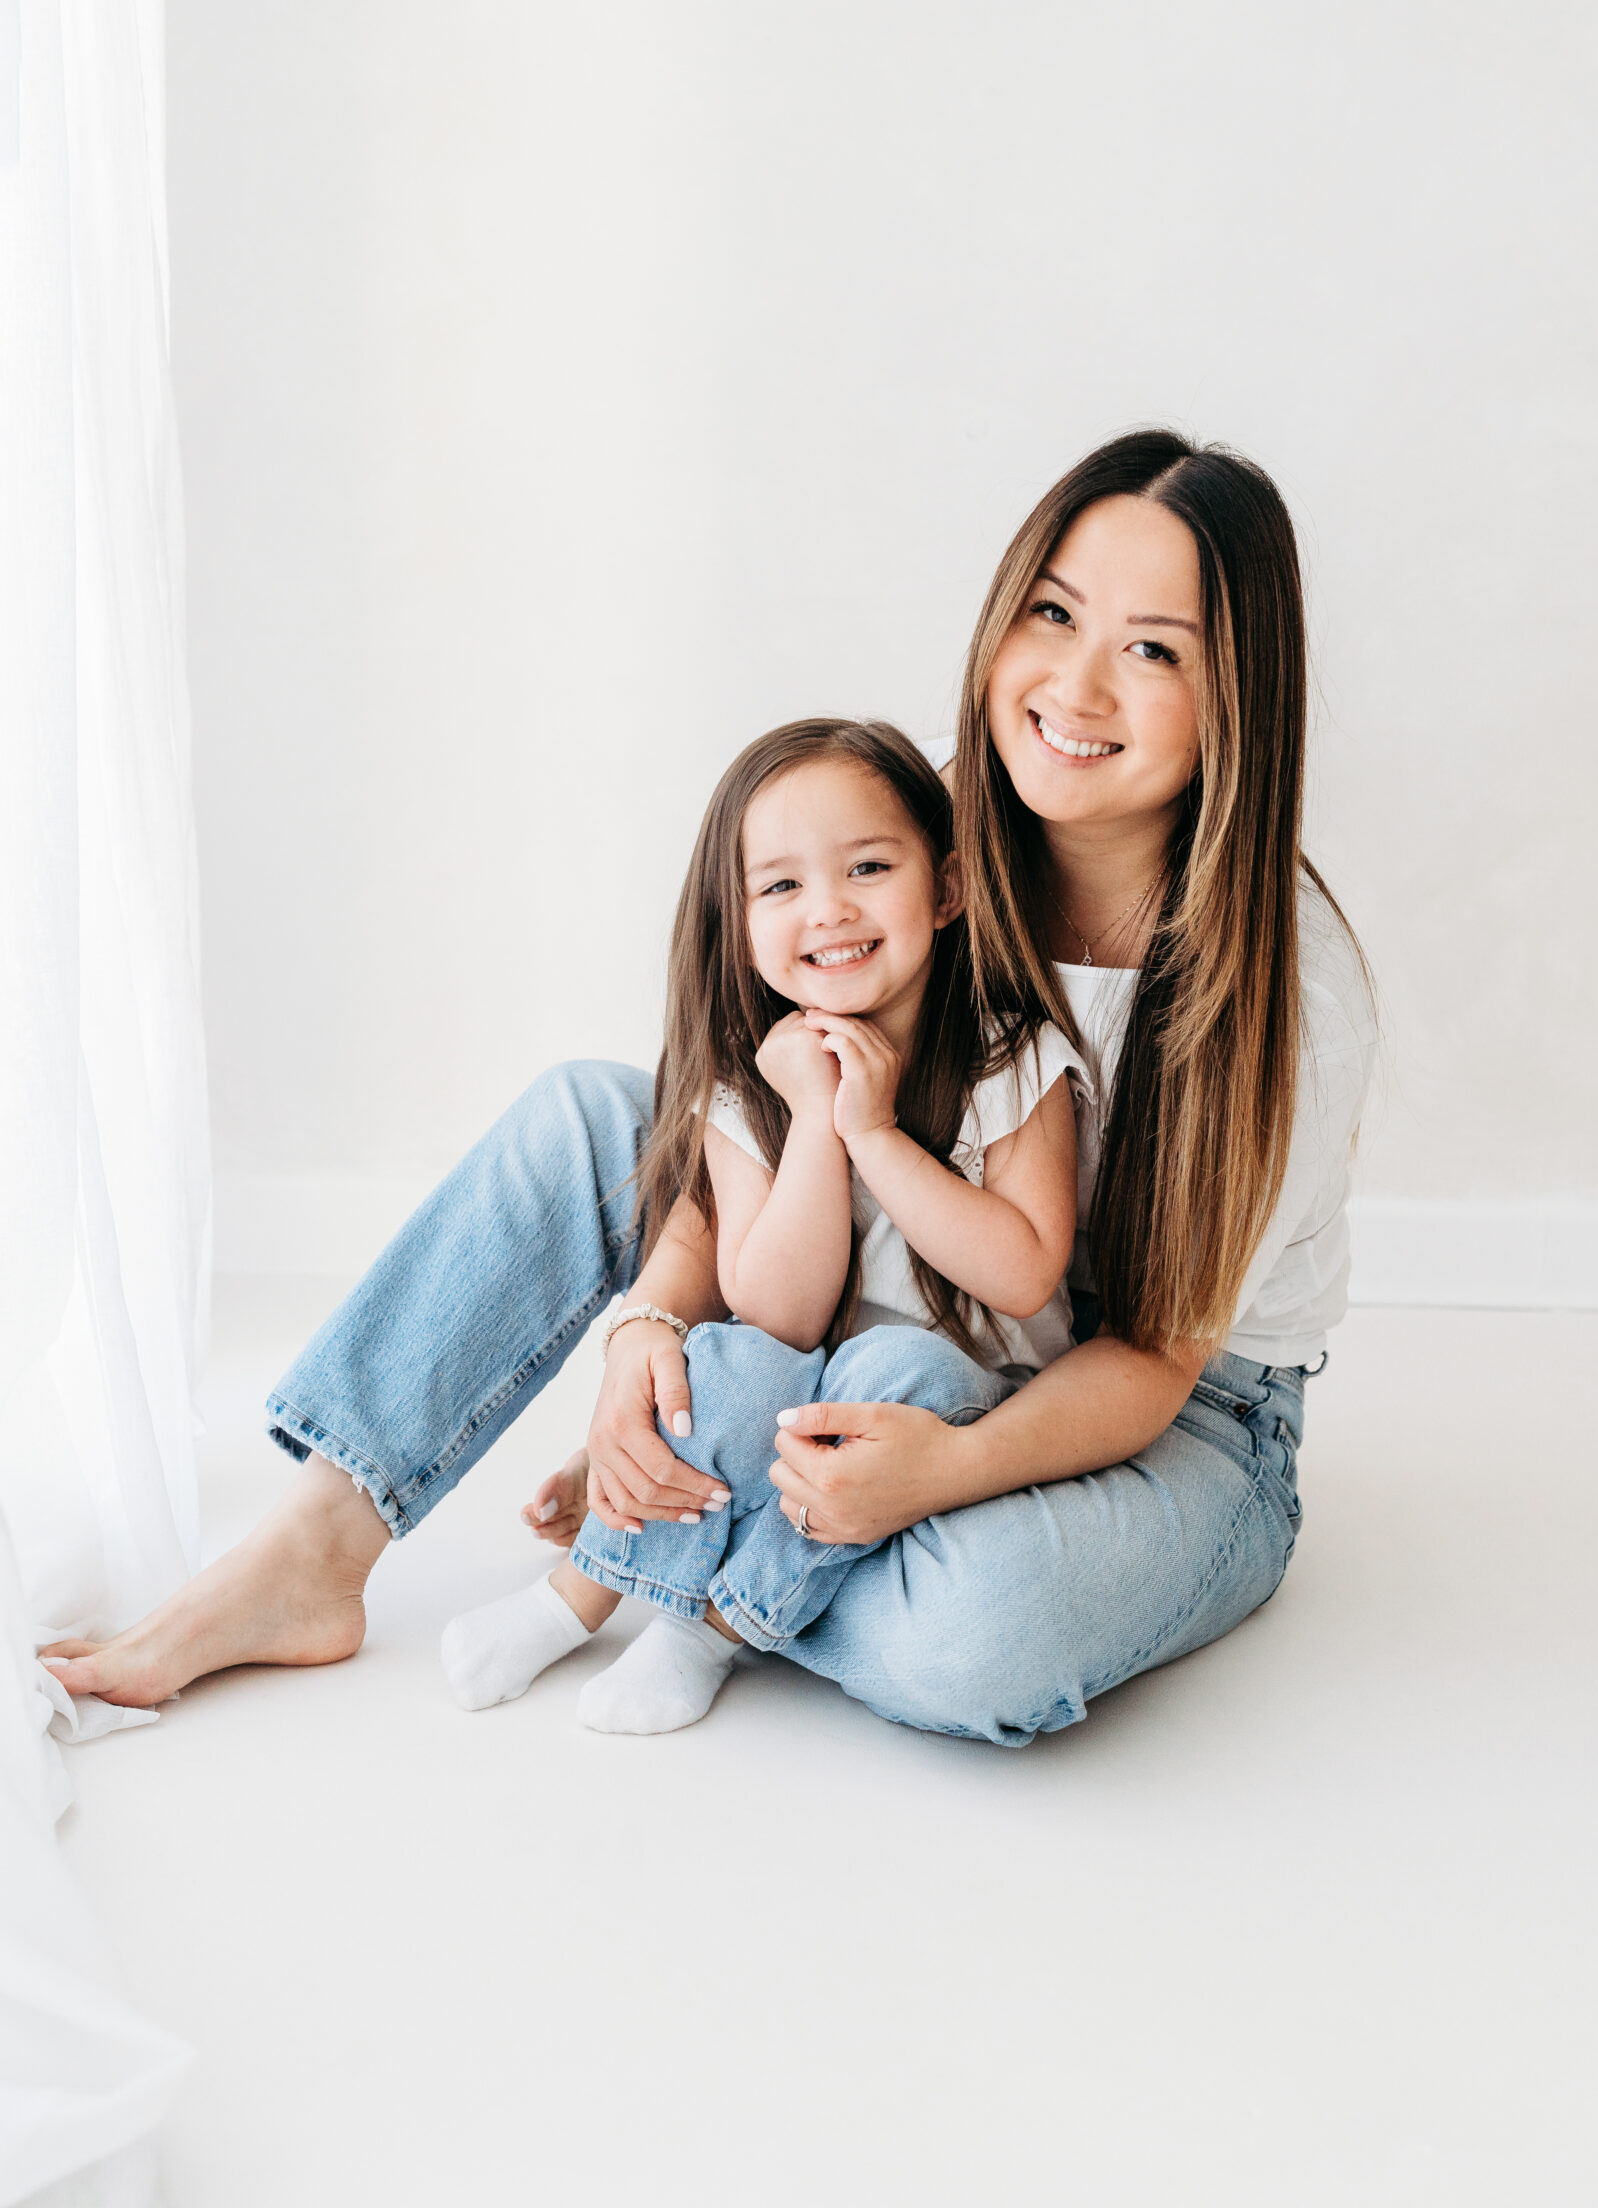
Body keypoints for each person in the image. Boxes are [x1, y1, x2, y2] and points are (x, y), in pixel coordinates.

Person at [43, 428, 1376, 1750]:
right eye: (1051, 613)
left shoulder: (1280, 990)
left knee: (981, 1636)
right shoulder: (924, 832)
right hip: (875, 1282)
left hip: (1168, 1412)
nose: (1075, 688)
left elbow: (1146, 1359)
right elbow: (735, 1113)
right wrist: (650, 1335)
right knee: (586, 1114)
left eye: (1151, 650)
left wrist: (946, 1467)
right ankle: (311, 1553)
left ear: (1234, 702)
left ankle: (699, 1547)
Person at [439, 716, 1083, 1733]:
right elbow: (775, 1308)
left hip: (964, 1400)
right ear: (736, 923)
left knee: (885, 1373)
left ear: (947, 888)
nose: (829, 909)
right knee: (722, 1361)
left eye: (869, 866)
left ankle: (711, 1631)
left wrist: (875, 1132)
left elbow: (1025, 1276)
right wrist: (818, 1122)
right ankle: (577, 1598)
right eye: (781, 886)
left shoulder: (1016, 1058)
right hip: (807, 1387)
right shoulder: (749, 1080)